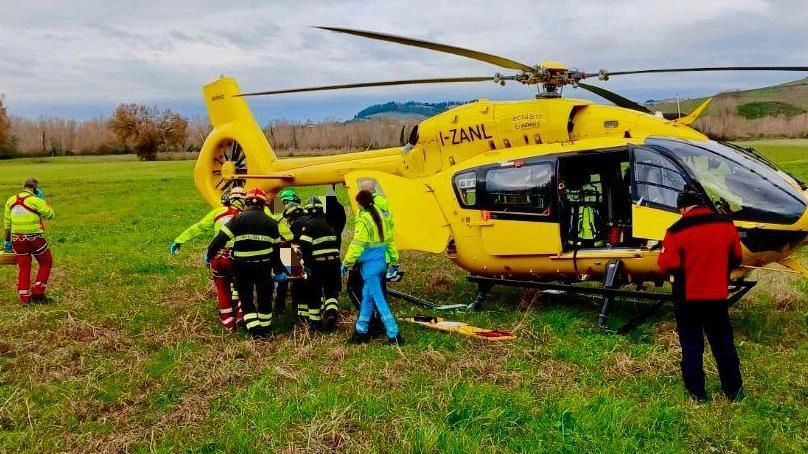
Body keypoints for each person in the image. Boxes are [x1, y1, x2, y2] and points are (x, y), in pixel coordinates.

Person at [658, 186, 744, 402]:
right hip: (717, 296)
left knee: (692, 345)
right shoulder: (726, 225)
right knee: (723, 343)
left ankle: (697, 393)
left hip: (687, 298)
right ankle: (733, 390)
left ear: (683, 207)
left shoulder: (676, 231)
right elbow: (736, 258)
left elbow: (667, 264)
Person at [208, 188, 287, 339]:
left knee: (246, 298)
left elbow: (220, 239)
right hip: (263, 266)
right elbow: (276, 251)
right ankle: (265, 328)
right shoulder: (271, 222)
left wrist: (210, 254)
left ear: (247, 203)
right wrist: (278, 271)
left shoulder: (238, 219)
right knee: (265, 297)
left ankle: (255, 329)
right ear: (264, 204)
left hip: (242, 267)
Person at [170, 187, 246, 331]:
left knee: (222, 289)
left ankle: (228, 324)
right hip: (238, 258)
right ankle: (241, 316)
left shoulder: (217, 213)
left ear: (228, 199)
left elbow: (197, 227)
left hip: (218, 256)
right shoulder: (246, 216)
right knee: (244, 286)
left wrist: (179, 240)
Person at [342, 189, 403, 345]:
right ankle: (360, 331)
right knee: (367, 298)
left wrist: (346, 263)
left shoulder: (364, 220)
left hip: (369, 267)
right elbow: (390, 241)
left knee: (379, 300)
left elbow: (357, 244)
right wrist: (395, 261)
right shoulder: (381, 217)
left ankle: (394, 333)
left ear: (360, 204)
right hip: (381, 262)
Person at [3, 177, 55, 305]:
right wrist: (43, 202)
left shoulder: (10, 200)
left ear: (24, 186)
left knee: (24, 267)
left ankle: (24, 299)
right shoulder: (36, 200)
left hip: (17, 240)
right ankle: (38, 293)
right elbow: (50, 214)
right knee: (46, 262)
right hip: (35, 239)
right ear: (35, 188)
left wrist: (7, 241)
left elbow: (7, 224)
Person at [298, 196, 341, 331]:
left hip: (317, 264)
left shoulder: (308, 225)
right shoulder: (331, 223)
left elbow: (305, 247)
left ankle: (315, 323)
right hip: (334, 262)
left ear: (309, 211)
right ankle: (332, 313)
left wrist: (307, 265)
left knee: (314, 292)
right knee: (331, 290)